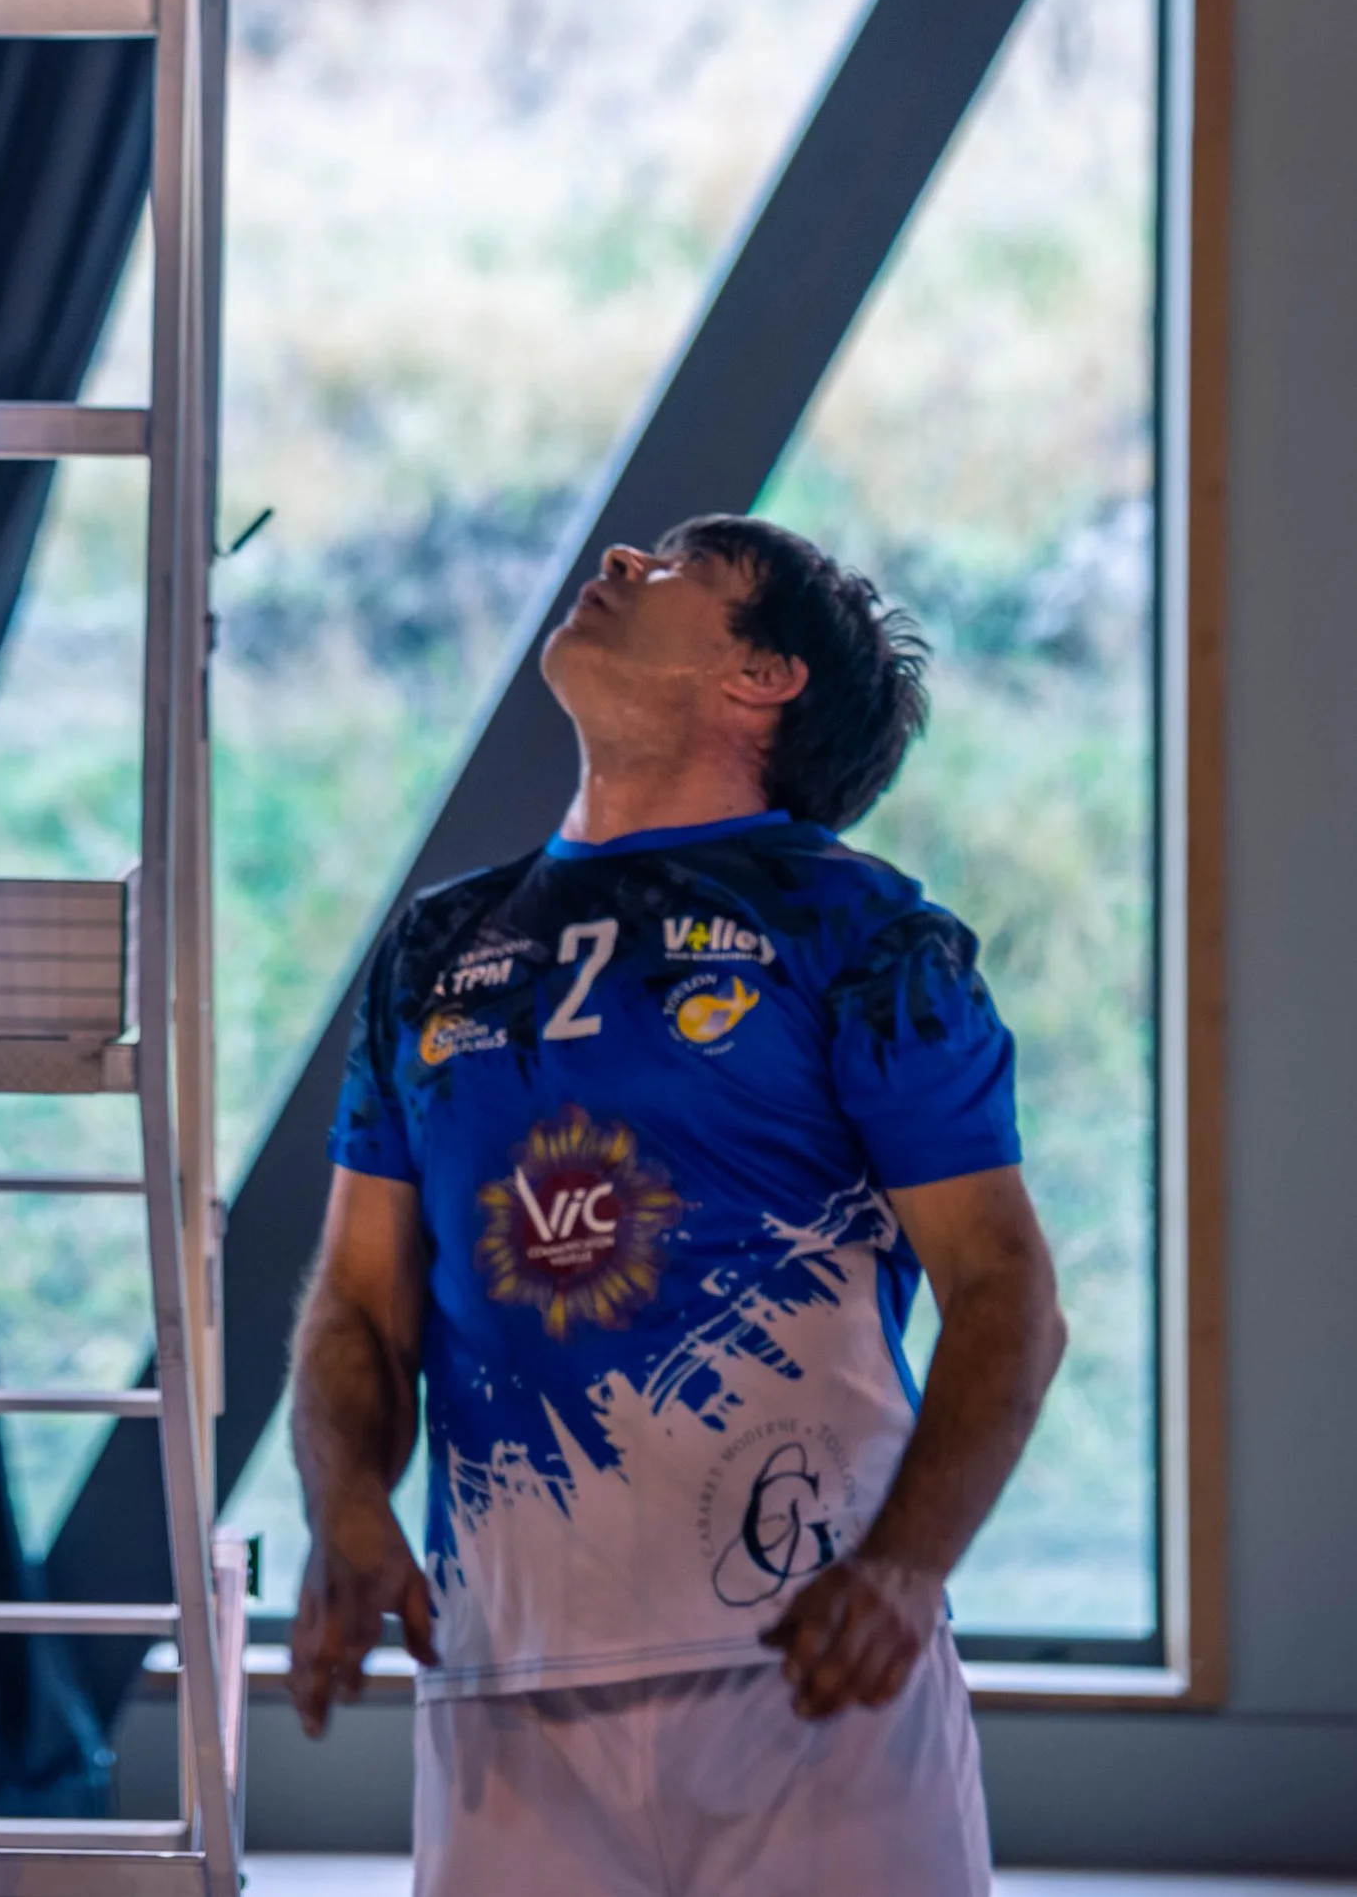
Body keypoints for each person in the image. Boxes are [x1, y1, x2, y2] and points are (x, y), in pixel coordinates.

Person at [287, 517, 1065, 1897]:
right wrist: (345, 1503)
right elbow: (359, 1301)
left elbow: (1007, 1295)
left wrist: (905, 1569)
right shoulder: (434, 946)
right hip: (505, 1689)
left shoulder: (867, 939)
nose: (618, 565)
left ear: (763, 676)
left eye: (675, 568)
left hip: (811, 1680)